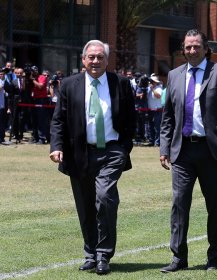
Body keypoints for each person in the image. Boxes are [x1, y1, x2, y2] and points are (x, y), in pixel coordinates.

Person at [49, 39, 136, 275]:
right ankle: (90, 253)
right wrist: (56, 146)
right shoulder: (68, 85)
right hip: (79, 153)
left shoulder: (121, 84)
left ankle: (103, 255)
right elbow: (58, 120)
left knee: (105, 197)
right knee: (85, 205)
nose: (95, 61)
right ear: (83, 59)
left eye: (100, 57)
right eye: (91, 57)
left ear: (107, 60)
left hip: (111, 151)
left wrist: (124, 147)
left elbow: (131, 118)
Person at [159, 29, 217, 272]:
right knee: (179, 205)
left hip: (212, 151)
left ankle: (214, 258)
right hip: (182, 151)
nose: (192, 51)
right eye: (188, 47)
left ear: (206, 48)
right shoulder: (174, 75)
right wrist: (164, 148)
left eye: (196, 46)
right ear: (182, 50)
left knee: (215, 205)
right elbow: (168, 117)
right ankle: (178, 258)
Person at [147, 73, 163, 146]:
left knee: (157, 127)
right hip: (150, 110)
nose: (150, 82)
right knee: (150, 126)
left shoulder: (158, 88)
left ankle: (157, 142)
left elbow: (158, 96)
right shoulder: (148, 88)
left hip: (157, 111)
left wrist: (152, 89)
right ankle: (151, 141)